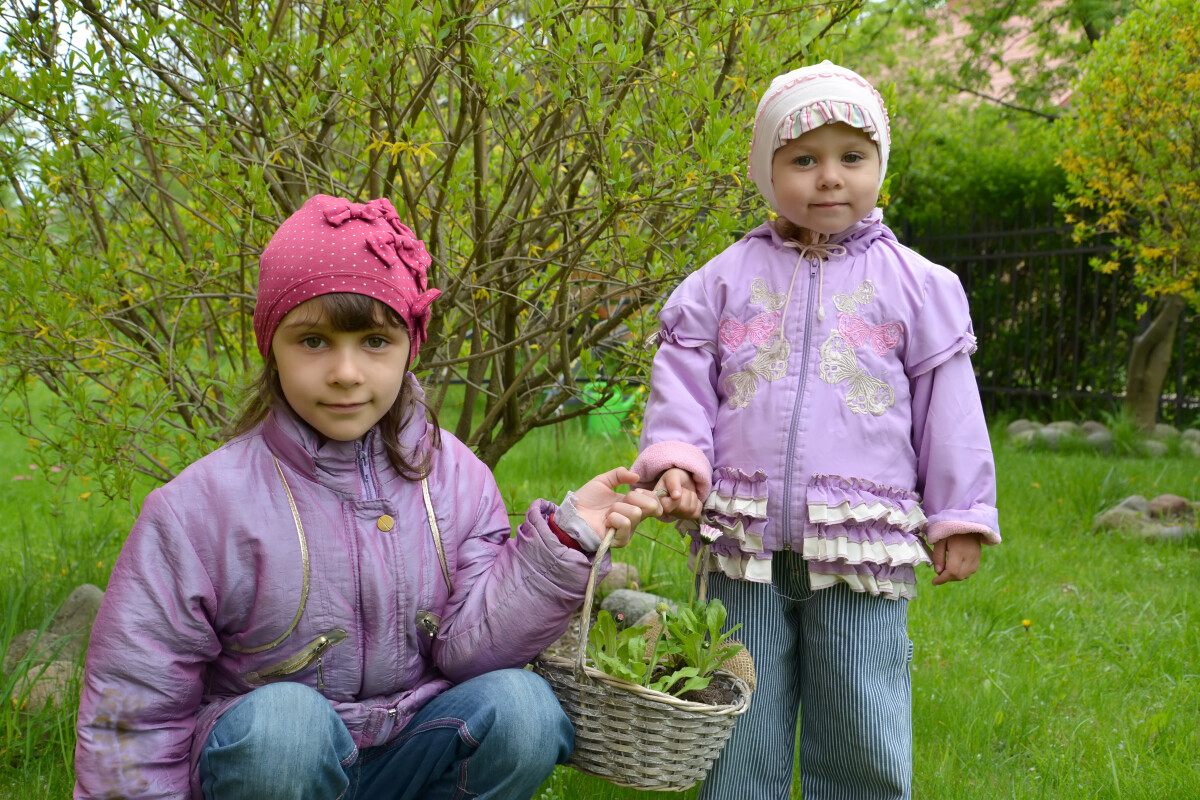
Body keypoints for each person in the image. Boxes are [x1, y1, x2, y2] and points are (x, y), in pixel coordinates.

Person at [74, 194, 665, 800]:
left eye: (374, 341)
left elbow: (472, 650)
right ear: (270, 346)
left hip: (415, 740)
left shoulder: (456, 476)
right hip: (273, 765)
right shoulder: (199, 508)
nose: (346, 372)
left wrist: (565, 542)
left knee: (524, 709)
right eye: (313, 342)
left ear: (411, 342)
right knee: (285, 728)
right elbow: (136, 704)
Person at [631, 62, 1000, 800]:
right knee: (739, 702)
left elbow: (950, 408)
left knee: (862, 706)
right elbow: (683, 372)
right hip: (743, 540)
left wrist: (958, 514)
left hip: (860, 542)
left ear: (879, 168)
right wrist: (677, 459)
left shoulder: (915, 284)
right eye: (804, 159)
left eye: (851, 158)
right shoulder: (725, 278)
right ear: (768, 171)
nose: (829, 178)